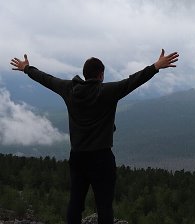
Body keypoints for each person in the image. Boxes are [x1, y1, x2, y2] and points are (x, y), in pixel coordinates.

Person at [10, 49, 179, 224]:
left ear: (85, 74)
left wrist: (27, 68)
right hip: (101, 158)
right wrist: (156, 67)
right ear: (101, 75)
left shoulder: (69, 89)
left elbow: (47, 79)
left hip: (77, 157)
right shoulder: (108, 91)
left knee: (75, 202)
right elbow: (132, 81)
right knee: (104, 205)